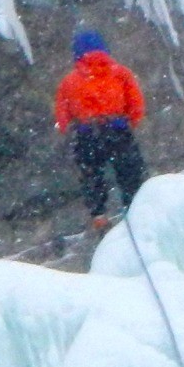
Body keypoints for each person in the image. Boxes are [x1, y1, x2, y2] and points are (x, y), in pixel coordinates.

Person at [52, 28, 147, 230]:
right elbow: (136, 102)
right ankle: (134, 207)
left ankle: (99, 215)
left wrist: (67, 127)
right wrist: (131, 121)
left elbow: (62, 114)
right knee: (129, 170)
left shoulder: (69, 81)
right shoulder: (120, 73)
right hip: (117, 129)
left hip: (88, 134)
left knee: (91, 174)